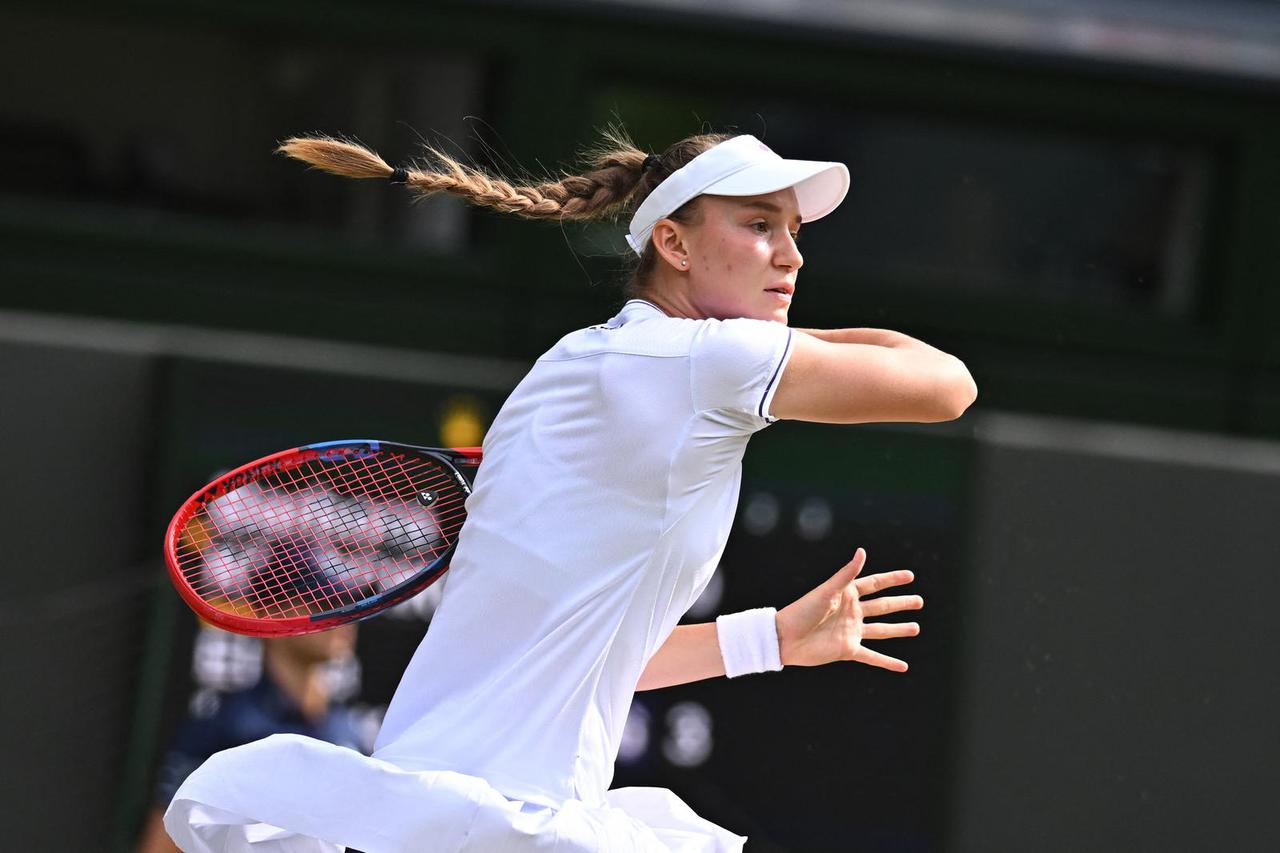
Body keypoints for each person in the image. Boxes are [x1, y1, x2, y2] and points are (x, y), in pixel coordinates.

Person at [164, 127, 978, 852]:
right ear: (675, 243)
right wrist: (769, 335)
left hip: (462, 813)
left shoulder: (570, 365)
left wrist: (772, 639)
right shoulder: (706, 362)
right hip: (504, 821)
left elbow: (593, 652)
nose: (792, 256)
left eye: (795, 232)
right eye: (760, 225)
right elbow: (948, 384)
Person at [139, 625, 364, 852]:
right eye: (321, 604)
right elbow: (163, 842)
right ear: (276, 615)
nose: (343, 620)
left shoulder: (346, 729)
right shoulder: (224, 725)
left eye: (348, 602)